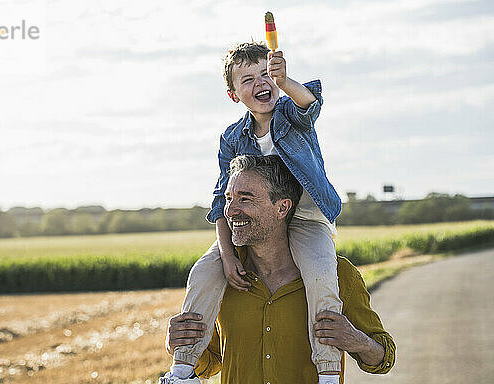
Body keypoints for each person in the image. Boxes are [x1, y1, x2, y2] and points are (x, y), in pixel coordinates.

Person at [160, 42, 343, 384]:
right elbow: (221, 201)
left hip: (303, 218)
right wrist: (228, 257)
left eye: (266, 74)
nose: (261, 82)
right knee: (203, 273)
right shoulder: (232, 138)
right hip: (252, 223)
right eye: (248, 79)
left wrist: (286, 81)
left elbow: (310, 104)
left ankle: (329, 372)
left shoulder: (290, 115)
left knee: (321, 275)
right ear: (233, 94)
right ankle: (183, 369)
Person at [165, 155, 395, 383]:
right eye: (228, 199)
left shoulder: (338, 275)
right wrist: (178, 345)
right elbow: (212, 363)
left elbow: (384, 358)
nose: (230, 211)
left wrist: (357, 340)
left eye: (245, 199)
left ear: (282, 208)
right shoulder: (220, 278)